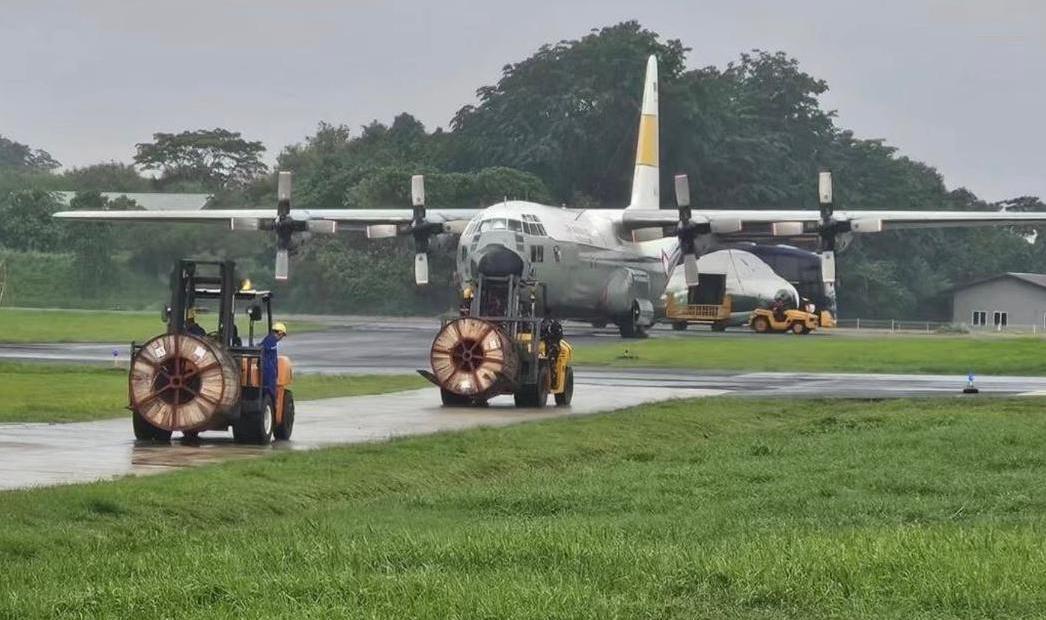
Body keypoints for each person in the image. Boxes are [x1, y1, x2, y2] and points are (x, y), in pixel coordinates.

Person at [260, 322, 287, 400]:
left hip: (269, 371)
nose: (281, 338)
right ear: (279, 333)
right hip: (268, 372)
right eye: (282, 335)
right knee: (270, 394)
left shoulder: (270, 340)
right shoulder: (270, 341)